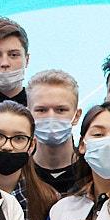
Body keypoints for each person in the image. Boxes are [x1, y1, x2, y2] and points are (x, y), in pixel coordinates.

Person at [26, 70, 88, 199]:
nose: (51, 117)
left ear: (77, 116)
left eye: (61, 110)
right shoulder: (18, 173)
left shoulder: (91, 172)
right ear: (28, 116)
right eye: (41, 110)